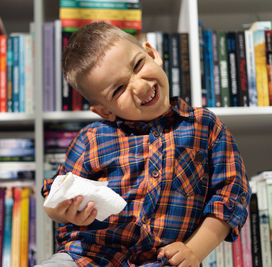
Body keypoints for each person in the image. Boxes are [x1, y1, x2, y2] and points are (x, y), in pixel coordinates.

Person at [38, 22, 250, 267]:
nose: (140, 86)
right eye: (118, 90)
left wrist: (194, 251)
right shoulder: (91, 139)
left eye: (138, 65)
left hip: (164, 262)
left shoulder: (204, 126)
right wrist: (61, 211)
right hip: (87, 257)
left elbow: (231, 194)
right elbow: (56, 191)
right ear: (104, 111)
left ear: (152, 54)